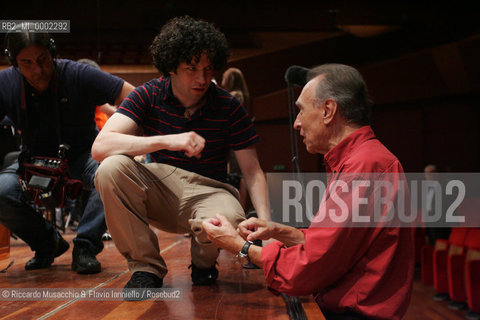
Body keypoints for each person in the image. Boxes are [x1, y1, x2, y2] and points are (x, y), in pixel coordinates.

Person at [203, 63, 415, 319]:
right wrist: (278, 231)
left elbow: (311, 266)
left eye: (301, 111)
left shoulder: (365, 166)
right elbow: (336, 245)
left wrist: (238, 245)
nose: (297, 123)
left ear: (328, 110)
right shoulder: (362, 159)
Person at [92, 15, 270, 295]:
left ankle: (203, 264)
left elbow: (253, 171)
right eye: (191, 69)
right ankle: (145, 269)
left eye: (208, 69)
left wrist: (266, 225)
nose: (202, 78)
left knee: (227, 217)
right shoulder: (147, 95)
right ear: (170, 68)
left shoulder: (229, 106)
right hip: (162, 186)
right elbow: (100, 148)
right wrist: (169, 140)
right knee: (110, 168)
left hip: (211, 190)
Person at [0, 23, 134, 274]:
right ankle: (48, 244)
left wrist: (115, 135)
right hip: (31, 161)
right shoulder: (4, 83)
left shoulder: (78, 73)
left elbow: (133, 96)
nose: (38, 70)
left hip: (83, 157)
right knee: (1, 191)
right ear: (14, 62)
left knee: (113, 172)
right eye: (26, 63)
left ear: (52, 52)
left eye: (43, 59)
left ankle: (85, 246)